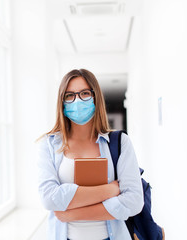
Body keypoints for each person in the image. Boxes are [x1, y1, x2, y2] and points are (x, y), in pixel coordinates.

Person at [36, 69, 144, 240]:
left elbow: (134, 202)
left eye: (84, 93)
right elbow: (49, 198)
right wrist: (111, 189)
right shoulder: (49, 145)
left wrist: (71, 214)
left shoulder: (120, 142)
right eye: (69, 95)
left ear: (96, 97)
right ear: (62, 102)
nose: (77, 100)